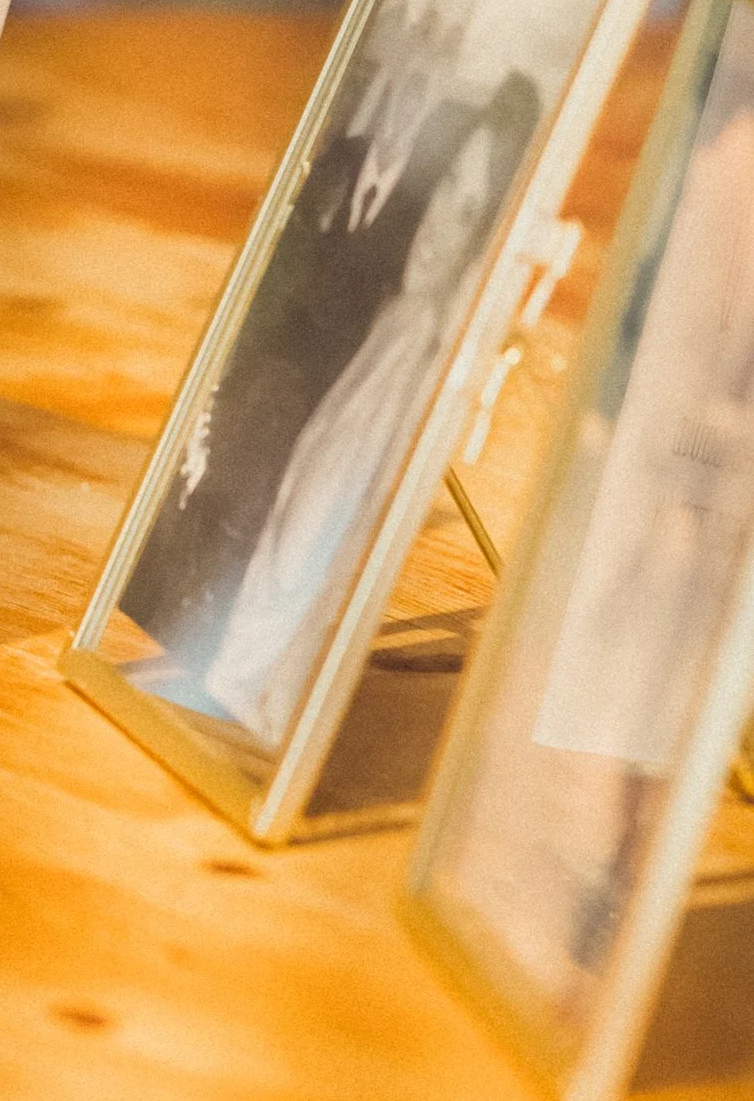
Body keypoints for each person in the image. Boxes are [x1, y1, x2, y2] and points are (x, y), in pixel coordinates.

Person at [202, 73, 539, 747]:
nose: (442, 224)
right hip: (230, 678)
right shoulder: (392, 317)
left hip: (251, 702)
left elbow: (302, 545)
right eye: (447, 190)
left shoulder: (420, 354)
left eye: (471, 213)